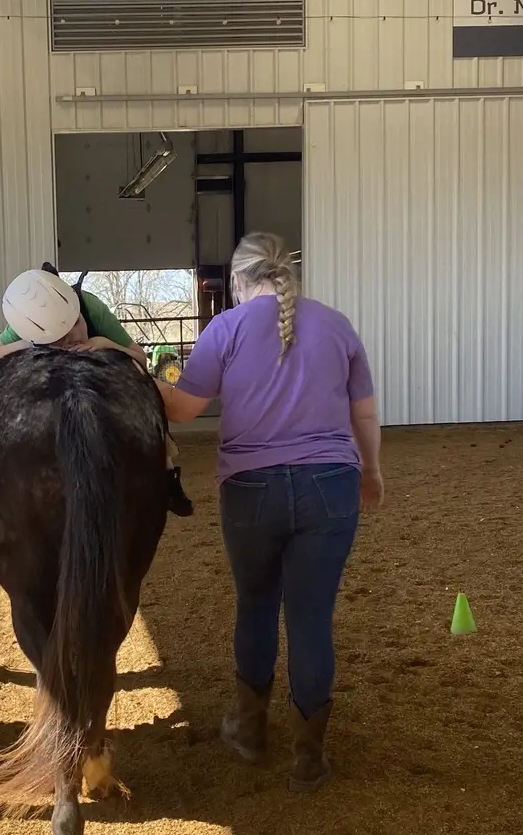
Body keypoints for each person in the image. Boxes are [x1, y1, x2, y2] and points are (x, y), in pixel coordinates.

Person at [155, 232, 384, 792]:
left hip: (251, 489)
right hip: (331, 483)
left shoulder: (225, 329)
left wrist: (140, 376)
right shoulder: (336, 323)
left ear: (237, 282)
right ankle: (309, 755)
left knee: (256, 606)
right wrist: (372, 472)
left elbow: (183, 410)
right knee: (311, 619)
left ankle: (251, 731)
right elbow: (365, 413)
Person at [0, 265, 194, 517]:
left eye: (75, 324)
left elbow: (139, 358)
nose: (72, 336)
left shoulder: (90, 305)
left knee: (148, 392)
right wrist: (28, 341)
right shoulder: (28, 319)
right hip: (49, 374)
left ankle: (167, 469)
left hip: (102, 365)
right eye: (59, 336)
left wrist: (104, 343)